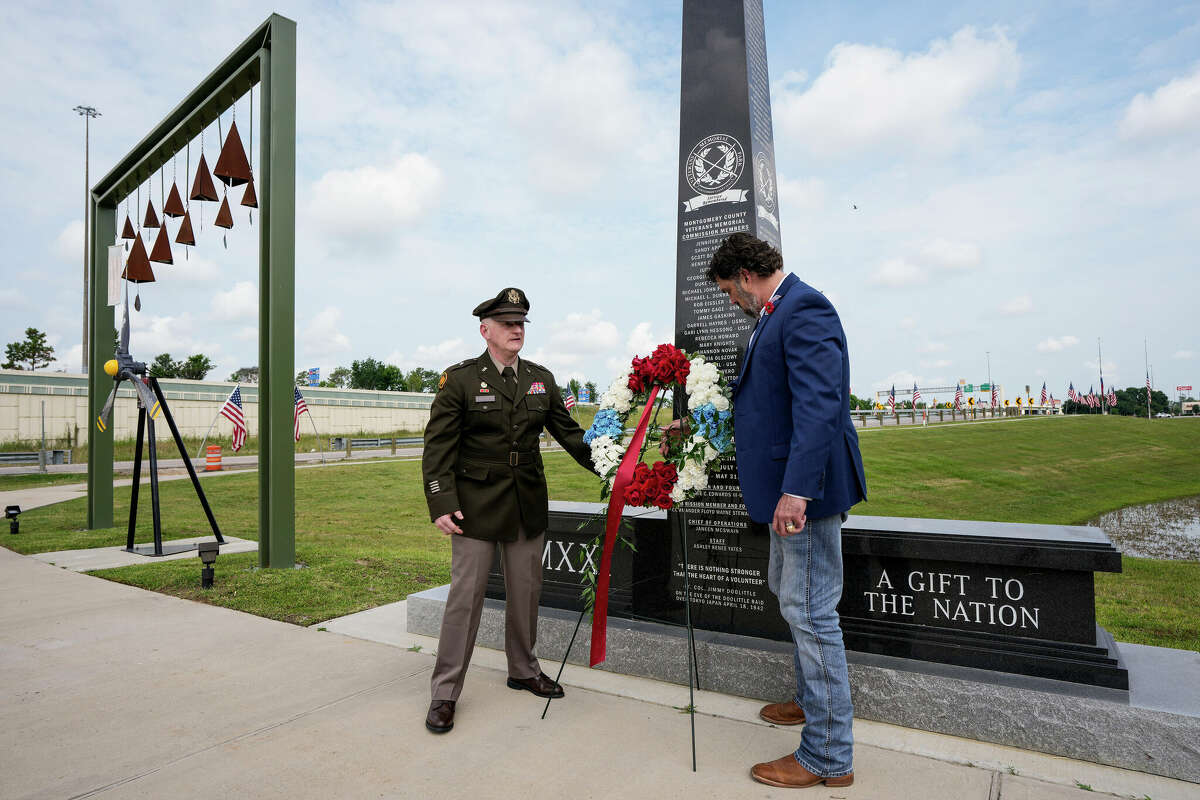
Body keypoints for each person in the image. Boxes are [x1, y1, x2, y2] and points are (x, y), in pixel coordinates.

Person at [687, 233, 866, 788]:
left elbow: (820, 406)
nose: (730, 302)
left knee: (812, 613)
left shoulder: (804, 307)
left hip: (802, 497)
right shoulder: (775, 313)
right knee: (796, 604)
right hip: (786, 492)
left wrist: (799, 491)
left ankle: (827, 757)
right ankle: (814, 705)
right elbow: (765, 404)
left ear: (744, 274)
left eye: (727, 291)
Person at [421, 287, 595, 734]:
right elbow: (438, 447)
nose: (516, 329)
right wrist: (441, 501)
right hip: (475, 508)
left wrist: (615, 467)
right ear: (486, 331)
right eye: (507, 324)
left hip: (526, 505)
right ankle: (445, 691)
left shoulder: (541, 378)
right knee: (466, 599)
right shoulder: (459, 379)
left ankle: (523, 669)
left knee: (526, 593)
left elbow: (570, 435)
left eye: (520, 323)